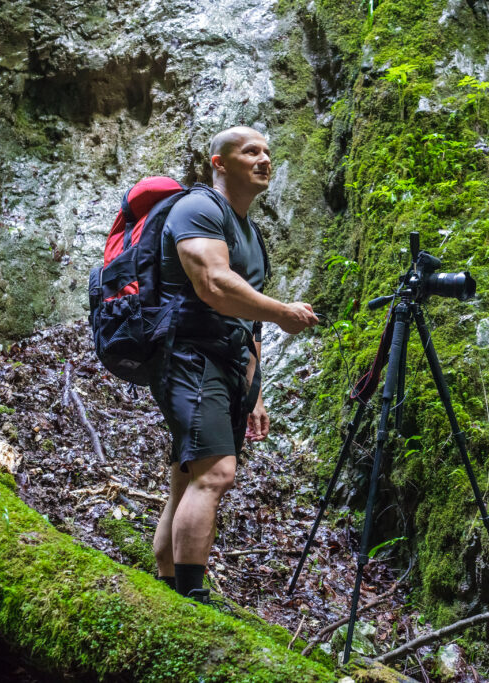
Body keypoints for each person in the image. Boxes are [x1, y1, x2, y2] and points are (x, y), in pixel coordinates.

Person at [148, 125, 319, 601]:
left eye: (268, 152)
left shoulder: (251, 232)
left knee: (188, 476)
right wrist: (283, 311)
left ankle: (164, 584)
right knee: (216, 473)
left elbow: (248, 322)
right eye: (251, 152)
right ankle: (190, 600)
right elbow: (214, 285)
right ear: (219, 163)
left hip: (224, 363)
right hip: (189, 355)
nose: (264, 159)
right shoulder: (199, 208)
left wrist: (255, 391)